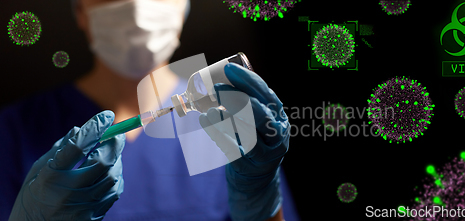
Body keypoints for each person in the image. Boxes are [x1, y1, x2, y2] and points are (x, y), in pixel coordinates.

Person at [0, 0, 299, 220]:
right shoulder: (15, 130)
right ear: (79, 10)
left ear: (184, 8)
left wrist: (261, 202)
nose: (137, 8)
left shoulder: (229, 119)